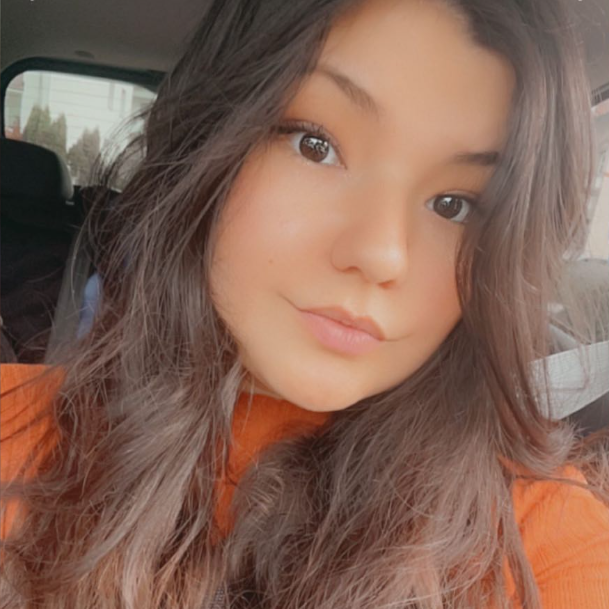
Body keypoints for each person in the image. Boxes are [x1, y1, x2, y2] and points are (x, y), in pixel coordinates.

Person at [2, 0, 608, 607]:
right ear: (208, 146)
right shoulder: (16, 429)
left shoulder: (542, 535)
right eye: (315, 146)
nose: (382, 254)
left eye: (455, 205)